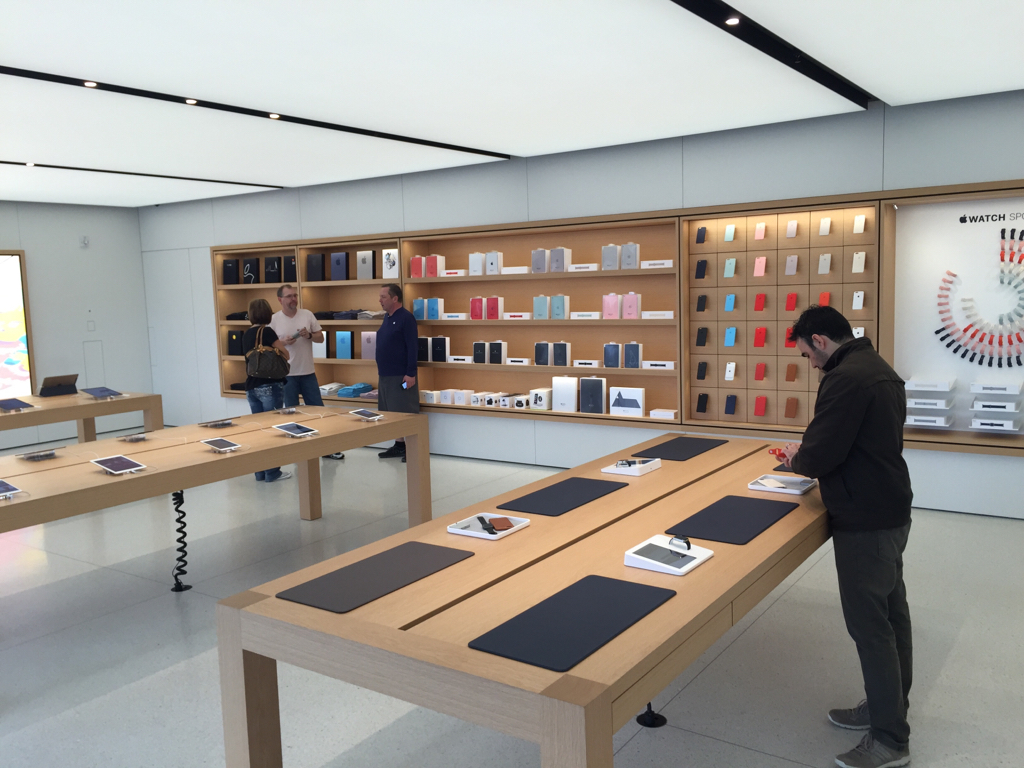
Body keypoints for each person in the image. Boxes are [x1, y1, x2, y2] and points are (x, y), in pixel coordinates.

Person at [780, 306, 913, 768]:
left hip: (865, 519)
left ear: (819, 340)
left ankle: (890, 741)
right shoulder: (878, 368)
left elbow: (822, 456)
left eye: (806, 355)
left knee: (871, 629)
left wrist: (798, 458)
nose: (810, 364)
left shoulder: (845, 379)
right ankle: (886, 709)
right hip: (891, 508)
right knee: (892, 616)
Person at [270, 285, 343, 460]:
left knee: (319, 412)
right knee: (291, 415)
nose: (293, 299)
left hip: (308, 372)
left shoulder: (307, 314)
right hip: (287, 375)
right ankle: (298, 452)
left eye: (295, 295)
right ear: (280, 300)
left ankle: (326, 449)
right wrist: (283, 342)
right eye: (289, 296)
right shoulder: (273, 320)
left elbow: (321, 338)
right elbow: (269, 346)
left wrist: (309, 335)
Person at [242, 298, 291, 482]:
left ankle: (260, 472)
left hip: (251, 387)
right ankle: (273, 472)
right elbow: (285, 354)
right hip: (270, 385)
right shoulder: (268, 332)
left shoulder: (246, 334)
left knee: (259, 431)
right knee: (272, 430)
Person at [374, 283, 419, 463]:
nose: (380, 300)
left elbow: (412, 346)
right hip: (385, 375)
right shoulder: (387, 317)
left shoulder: (406, 318)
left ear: (395, 298)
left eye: (383, 297)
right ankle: (399, 445)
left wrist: (411, 373)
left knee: (404, 411)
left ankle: (412, 448)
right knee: (391, 412)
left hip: (401, 376)